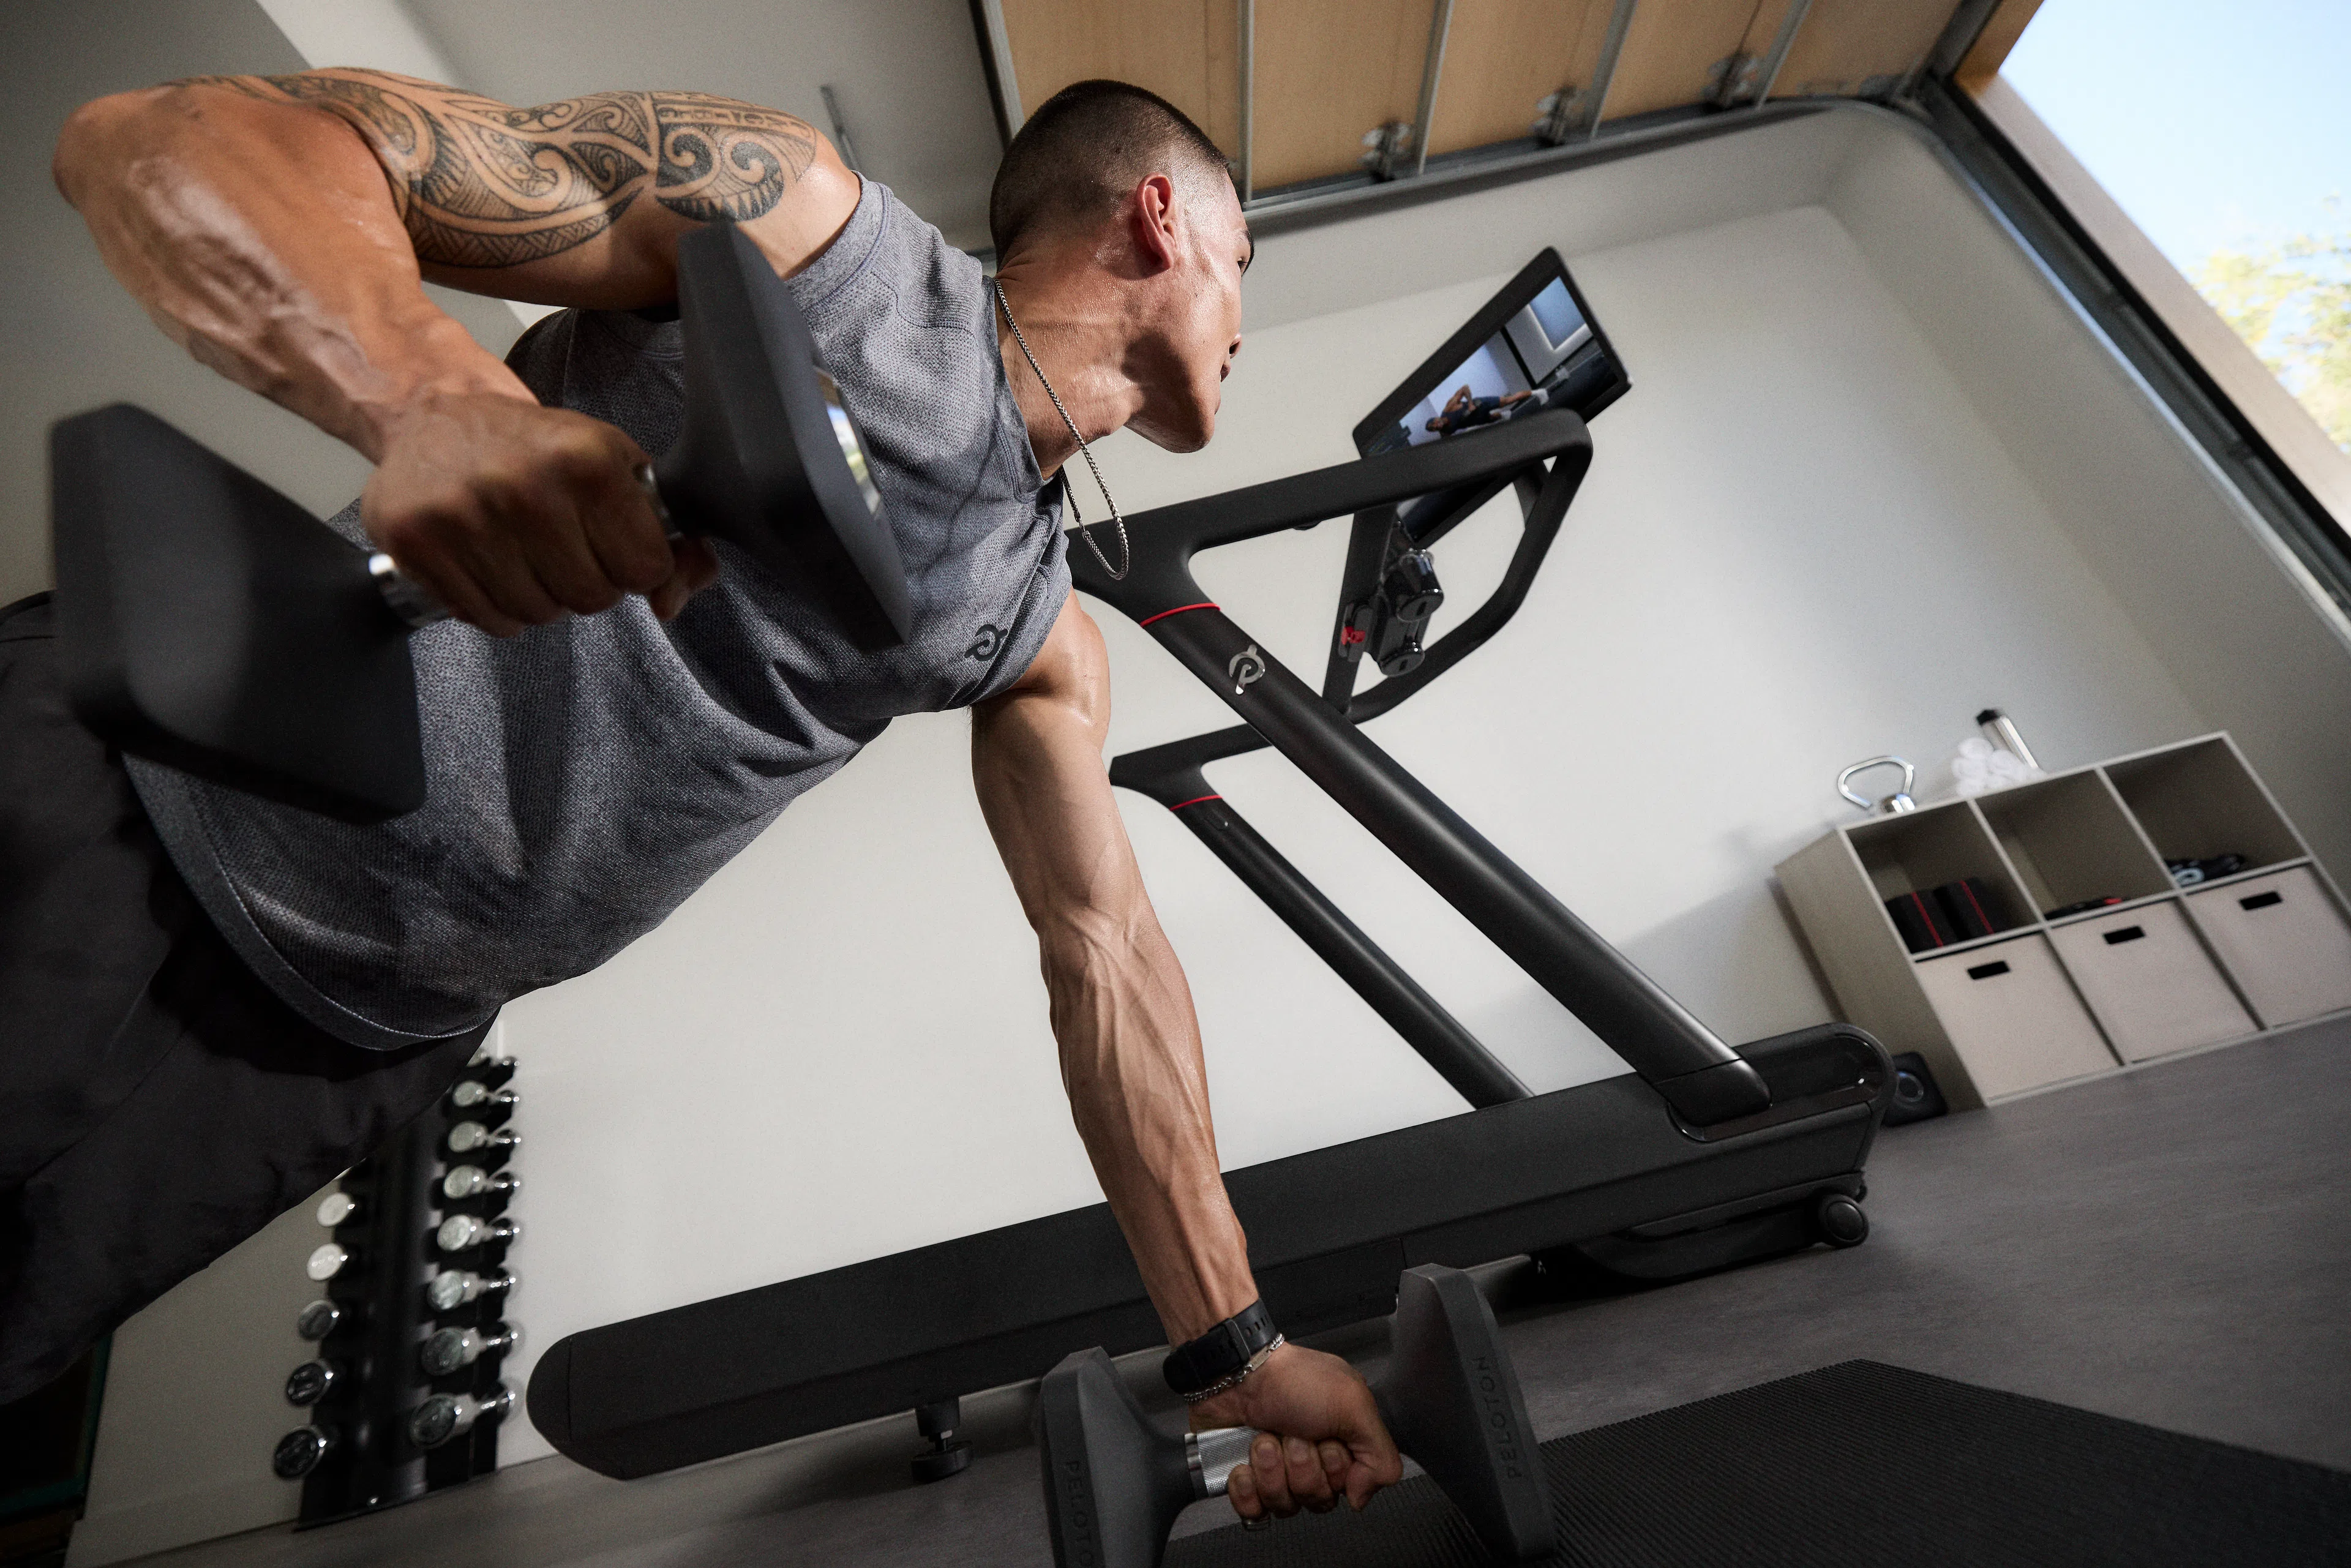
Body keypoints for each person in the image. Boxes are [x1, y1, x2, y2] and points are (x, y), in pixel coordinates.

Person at [13, 73, 1403, 1519]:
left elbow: (1104, 956)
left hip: (345, 1044)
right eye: (1243, 258)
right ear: (1161, 216)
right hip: (129, 808)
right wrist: (429, 395)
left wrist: (1237, 1348)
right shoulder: (805, 230)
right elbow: (154, 134)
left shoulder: (1033, 625)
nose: (1245, 318)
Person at [1424, 381, 1548, 438]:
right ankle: (1504, 415)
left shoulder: (1449, 408)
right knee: (1493, 418)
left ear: (1436, 418)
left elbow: (1465, 388)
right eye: (1434, 428)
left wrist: (1470, 404)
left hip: (1480, 405)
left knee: (1508, 400)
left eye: (1434, 423)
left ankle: (1539, 392)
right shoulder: (1445, 432)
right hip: (1477, 420)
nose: (1437, 426)